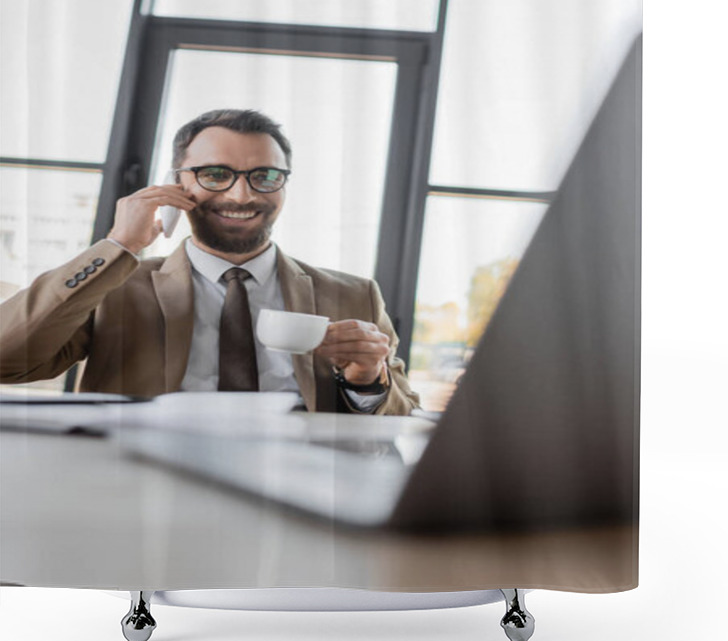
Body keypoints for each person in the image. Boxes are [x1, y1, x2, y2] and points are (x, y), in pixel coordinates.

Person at [0, 109, 420, 415]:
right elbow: (6, 360)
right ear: (176, 183)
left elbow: (403, 419)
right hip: (141, 484)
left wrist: (368, 380)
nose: (241, 195)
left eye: (265, 176)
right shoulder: (116, 286)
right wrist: (118, 245)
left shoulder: (352, 294)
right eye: (215, 174)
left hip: (297, 493)